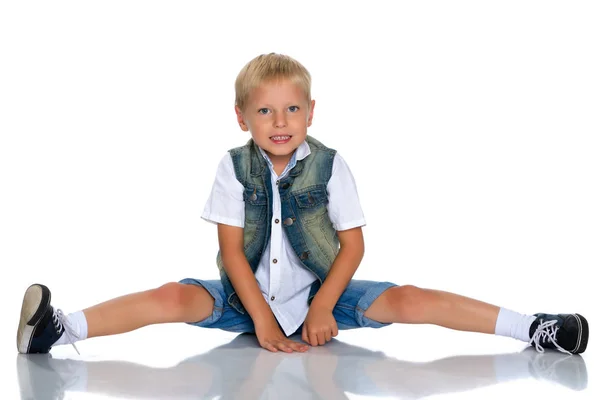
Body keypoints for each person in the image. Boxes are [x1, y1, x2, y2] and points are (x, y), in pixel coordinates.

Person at [17, 53, 588, 356]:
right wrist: (260, 318)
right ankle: (61, 330)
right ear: (242, 117)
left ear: (311, 112)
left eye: (291, 110)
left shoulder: (331, 164)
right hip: (245, 298)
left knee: (411, 298)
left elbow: (353, 245)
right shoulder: (233, 166)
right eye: (265, 111)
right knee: (172, 296)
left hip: (324, 294)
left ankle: (532, 327)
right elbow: (232, 253)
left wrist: (321, 310)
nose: (280, 122)